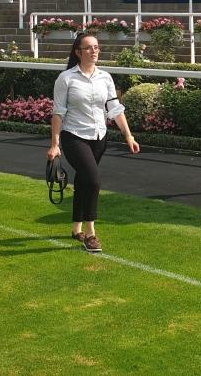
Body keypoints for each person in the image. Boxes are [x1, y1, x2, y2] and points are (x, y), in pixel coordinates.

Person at [46, 33, 140, 253]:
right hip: (73, 136)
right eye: (88, 47)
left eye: (96, 47)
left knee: (84, 181)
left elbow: (115, 109)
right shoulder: (66, 78)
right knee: (94, 180)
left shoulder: (105, 77)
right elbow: (58, 113)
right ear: (78, 52)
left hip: (99, 137)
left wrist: (128, 136)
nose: (94, 51)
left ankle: (75, 228)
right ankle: (90, 233)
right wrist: (55, 144)